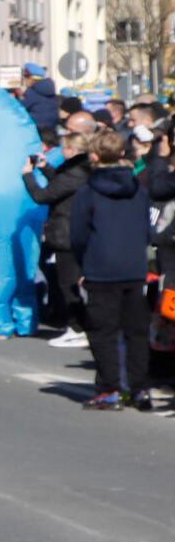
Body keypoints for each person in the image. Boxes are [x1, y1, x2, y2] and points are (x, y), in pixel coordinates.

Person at [69, 128, 152, 411]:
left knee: (103, 331)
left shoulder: (88, 192)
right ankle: (139, 389)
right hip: (134, 265)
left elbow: (78, 235)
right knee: (136, 332)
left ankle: (110, 389)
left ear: (94, 156)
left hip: (101, 265)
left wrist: (83, 263)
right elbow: (145, 228)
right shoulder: (138, 188)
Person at [24, 131, 91, 347]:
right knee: (70, 282)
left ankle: (77, 327)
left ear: (72, 150)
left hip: (67, 233)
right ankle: (76, 325)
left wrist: (27, 175)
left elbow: (43, 195)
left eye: (65, 148)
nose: (62, 152)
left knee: (68, 283)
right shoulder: (80, 170)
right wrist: (45, 168)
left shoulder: (76, 172)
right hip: (72, 231)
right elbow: (60, 185)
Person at [19, 62, 59, 134]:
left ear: (31, 78)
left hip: (36, 129)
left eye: (26, 77)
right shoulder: (50, 89)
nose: (24, 80)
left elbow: (19, 108)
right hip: (51, 130)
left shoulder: (32, 92)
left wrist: (15, 98)